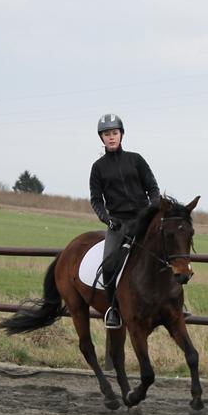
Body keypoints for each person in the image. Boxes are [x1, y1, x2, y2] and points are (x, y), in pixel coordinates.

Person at [89, 113, 160, 329]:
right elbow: (96, 200)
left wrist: (151, 209)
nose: (111, 137)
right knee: (109, 264)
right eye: (107, 134)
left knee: (165, 254)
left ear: (121, 134)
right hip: (118, 223)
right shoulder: (98, 168)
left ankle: (174, 303)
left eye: (114, 133)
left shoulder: (136, 159)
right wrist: (107, 219)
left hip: (143, 219)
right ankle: (114, 309)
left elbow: (153, 188)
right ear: (101, 138)